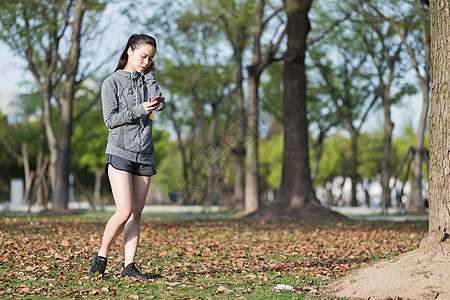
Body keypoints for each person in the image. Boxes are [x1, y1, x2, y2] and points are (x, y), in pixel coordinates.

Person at [89, 34, 165, 280]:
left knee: (137, 212)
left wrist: (150, 76)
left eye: (150, 58)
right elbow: (110, 120)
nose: (146, 61)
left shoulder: (146, 79)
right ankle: (101, 254)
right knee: (124, 210)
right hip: (120, 151)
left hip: (144, 153)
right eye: (143, 56)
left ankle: (129, 266)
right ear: (130, 51)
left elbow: (160, 105)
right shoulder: (111, 82)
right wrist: (138, 110)